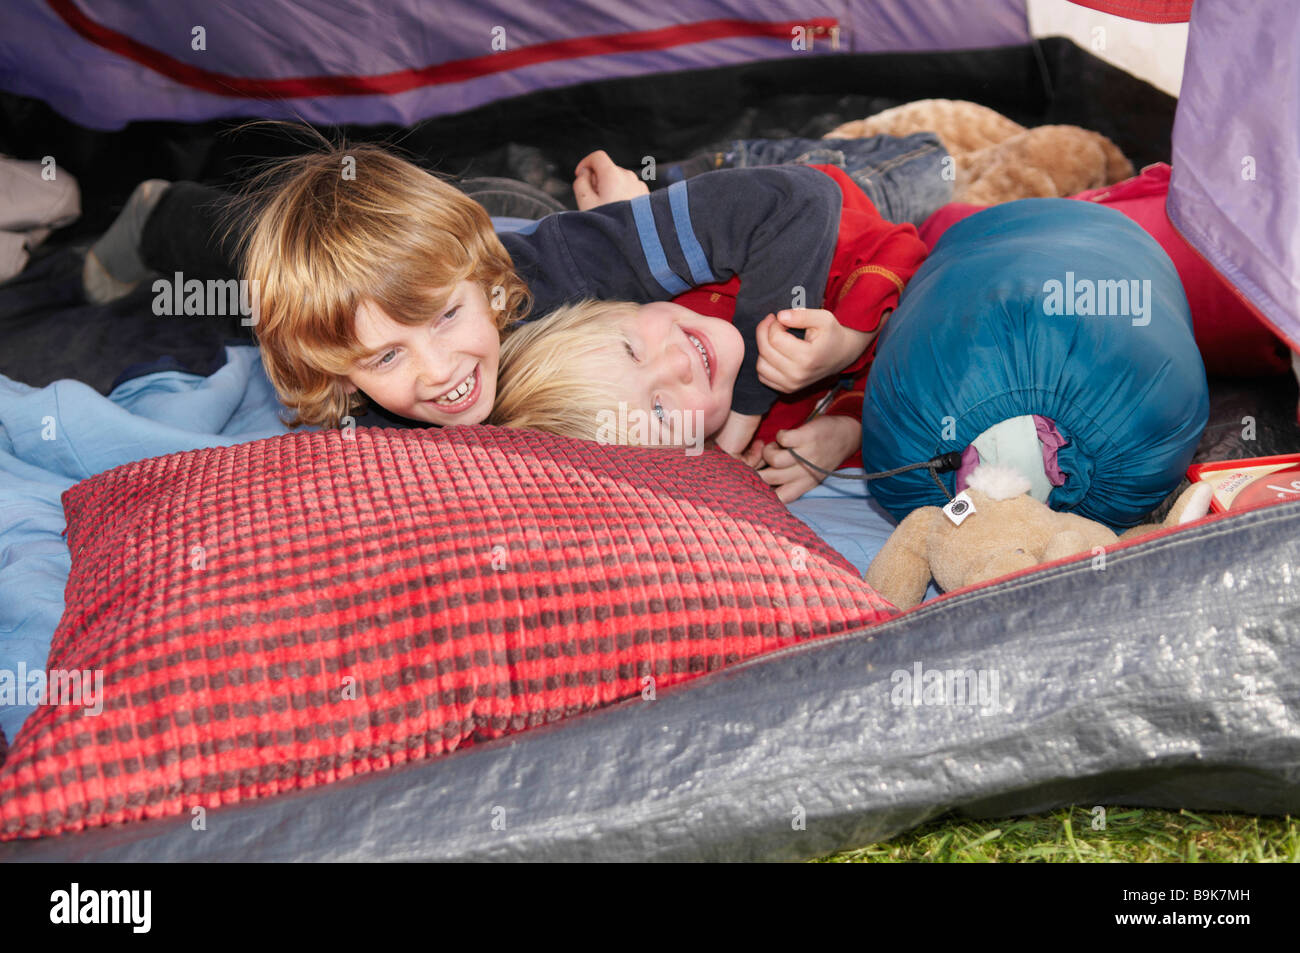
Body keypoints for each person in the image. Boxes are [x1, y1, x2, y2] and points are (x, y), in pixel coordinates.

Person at [80, 141, 929, 452]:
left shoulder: (578, 268)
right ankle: (162, 210)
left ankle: (630, 197)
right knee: (248, 261)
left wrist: (747, 407)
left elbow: (796, 201)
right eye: (384, 356)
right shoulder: (358, 410)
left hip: (517, 225)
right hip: (427, 263)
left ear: (479, 289)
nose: (442, 371)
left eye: (445, 320)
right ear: (340, 379)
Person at [488, 297, 866, 503]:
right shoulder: (768, 450)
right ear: (692, 453)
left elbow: (872, 233)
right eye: (660, 410)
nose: (679, 361)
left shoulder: (715, 274)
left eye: (631, 349)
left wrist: (852, 338)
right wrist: (848, 431)